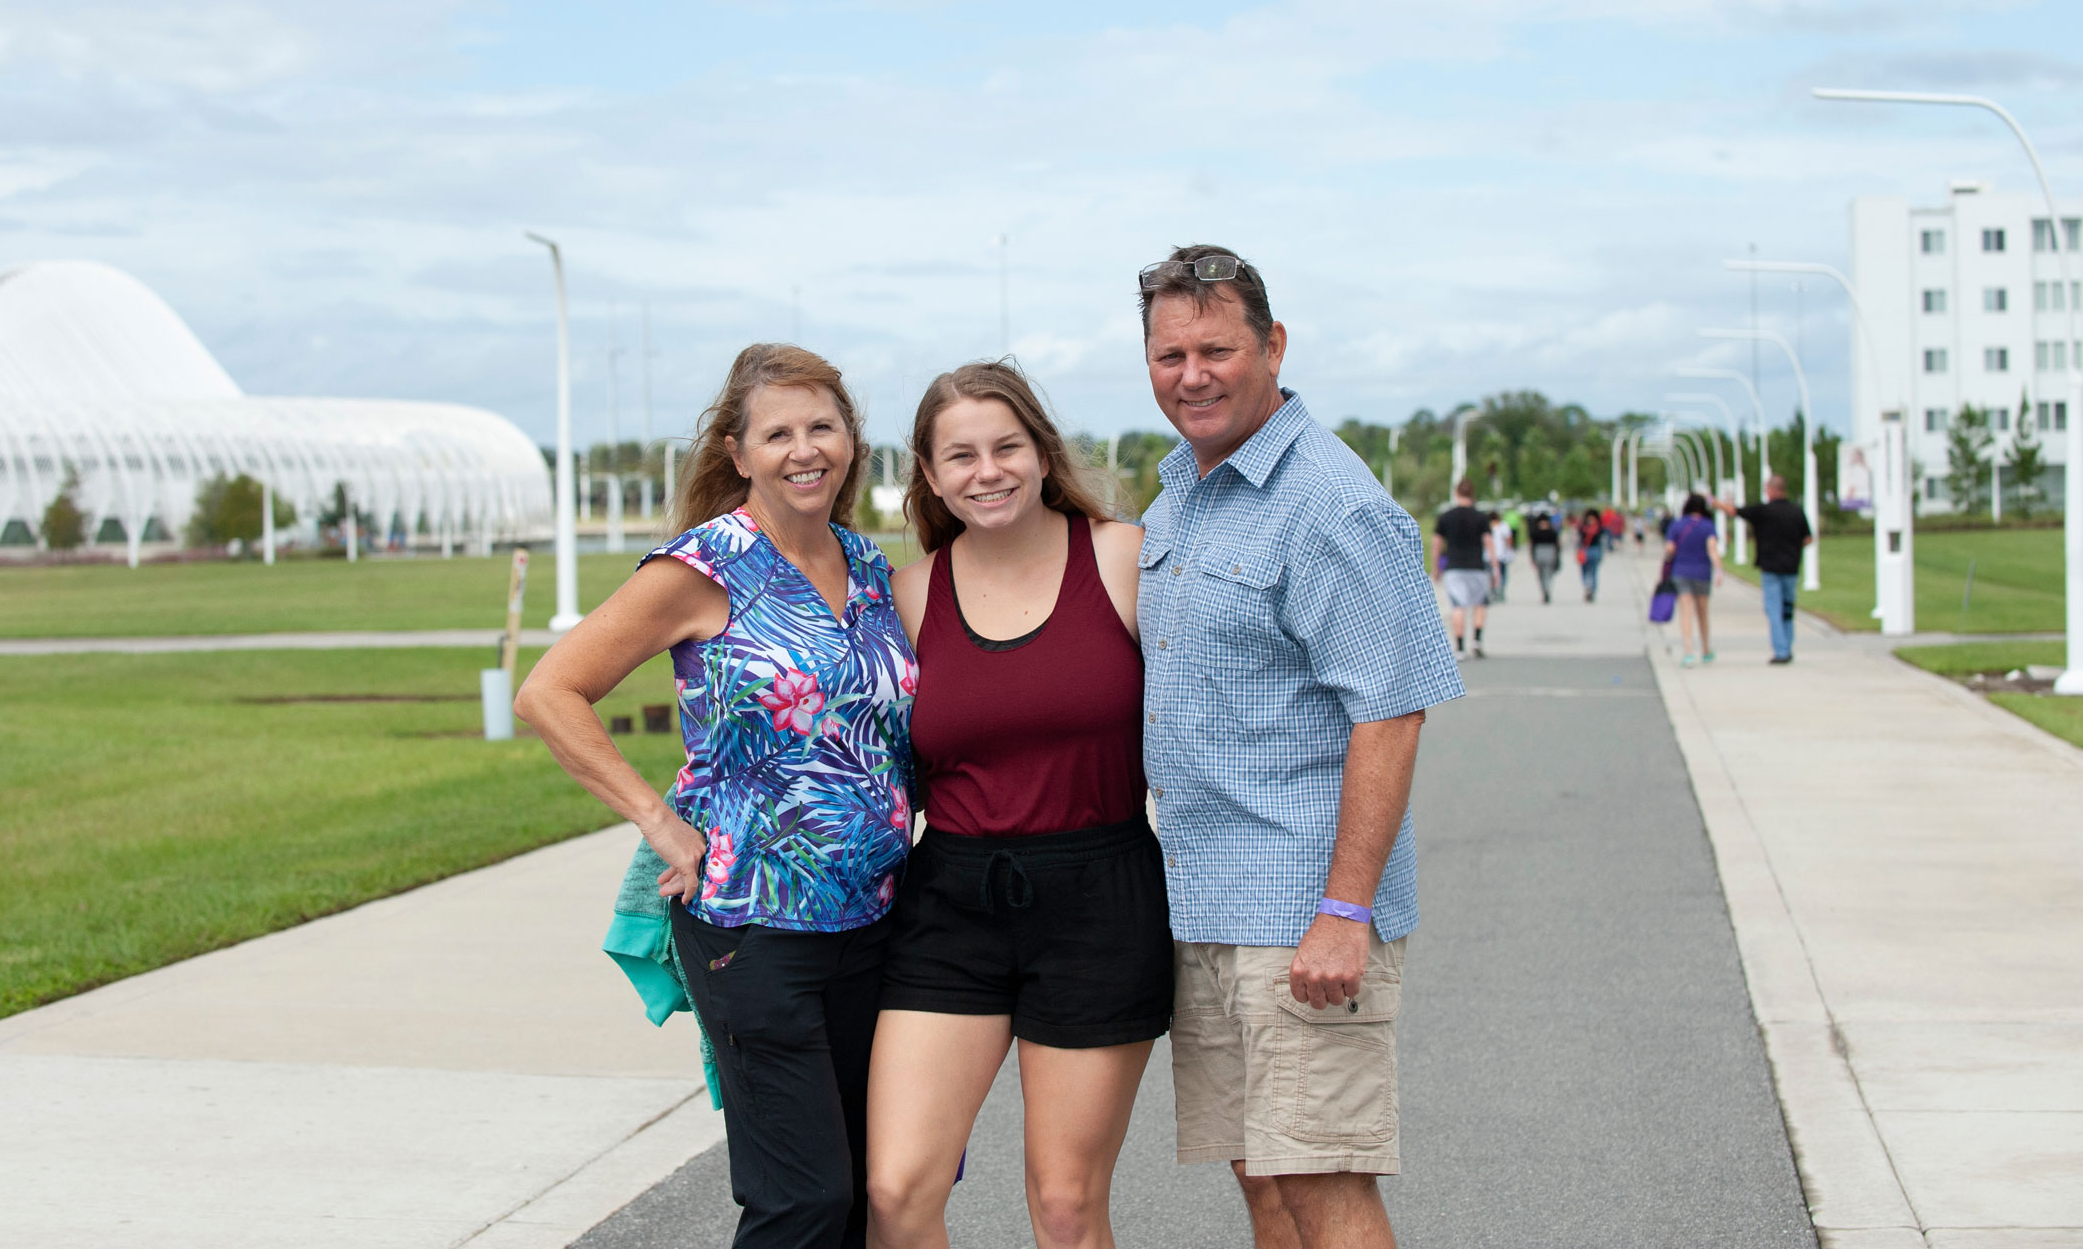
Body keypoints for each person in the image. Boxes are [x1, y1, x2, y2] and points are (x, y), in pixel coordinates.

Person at [516, 344, 915, 1249]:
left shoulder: (869, 565)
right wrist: (658, 821)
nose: (803, 449)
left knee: (860, 1192)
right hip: (750, 921)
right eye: (777, 433)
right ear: (738, 453)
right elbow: (550, 691)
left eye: (822, 426)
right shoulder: (705, 566)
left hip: (874, 920)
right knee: (801, 1199)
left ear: (850, 440)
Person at [1132, 245, 1464, 1249]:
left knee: (1322, 1180)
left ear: (1271, 345)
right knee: (1263, 1178)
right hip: (1209, 898)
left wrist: (1343, 909)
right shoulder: (1183, 491)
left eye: (1216, 348)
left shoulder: (1331, 502)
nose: (1192, 373)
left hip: (1300, 908)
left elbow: (1392, 711)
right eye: (1169, 352)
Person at [867, 362, 1164, 1249]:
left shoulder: (1124, 557)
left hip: (1100, 902)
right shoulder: (910, 595)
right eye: (959, 455)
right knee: (894, 1191)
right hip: (949, 904)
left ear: (1042, 452)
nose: (985, 471)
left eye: (1006, 447)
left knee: (1065, 1205)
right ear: (928, 473)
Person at [1720, 475, 1814, 665]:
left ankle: (1781, 651)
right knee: (1787, 610)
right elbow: (1808, 539)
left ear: (1771, 490)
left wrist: (1715, 503)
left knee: (1774, 610)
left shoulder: (1763, 511)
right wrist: (1793, 547)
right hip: (1791, 566)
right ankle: (1787, 646)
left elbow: (1733, 511)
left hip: (1770, 567)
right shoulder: (1797, 511)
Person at [1431, 478, 1494, 659]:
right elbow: (1488, 543)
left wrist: (1436, 567)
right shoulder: (1481, 517)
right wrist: (1495, 567)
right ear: (1472, 494)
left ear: (1456, 493)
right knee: (1480, 603)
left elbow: (1436, 544)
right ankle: (1477, 640)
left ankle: (1459, 647)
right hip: (1476, 566)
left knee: (1458, 606)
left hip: (1454, 567)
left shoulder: (1446, 516)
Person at [1664, 493, 1722, 667]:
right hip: (1702, 572)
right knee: (1702, 612)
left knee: (1686, 612)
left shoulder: (1677, 525)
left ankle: (1688, 652)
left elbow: (1669, 549)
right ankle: (1705, 649)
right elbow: (1712, 549)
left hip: (1681, 571)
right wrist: (1718, 570)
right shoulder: (1708, 525)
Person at [1526, 507, 1561, 603]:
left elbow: (1531, 545)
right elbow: (1557, 545)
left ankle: (1545, 589)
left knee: (1544, 573)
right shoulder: (1551, 531)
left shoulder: (1535, 532)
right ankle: (1546, 589)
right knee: (1546, 573)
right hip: (1547, 552)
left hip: (1542, 552)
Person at [1575, 507, 1605, 601]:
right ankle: (1590, 587)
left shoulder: (1584, 528)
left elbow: (1578, 541)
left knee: (1590, 571)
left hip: (1590, 550)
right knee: (1589, 571)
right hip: (1590, 551)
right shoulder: (1598, 528)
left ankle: (1589, 587)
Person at [1489, 510, 1515, 601]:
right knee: (1502, 573)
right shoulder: (1503, 526)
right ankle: (1500, 589)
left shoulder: (1488, 526)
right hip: (1500, 554)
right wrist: (1509, 549)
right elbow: (1508, 539)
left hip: (1490, 555)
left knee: (1492, 574)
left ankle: (1494, 590)